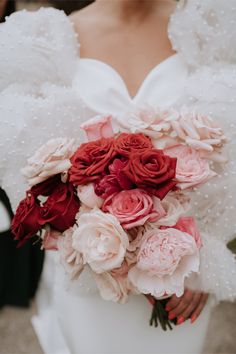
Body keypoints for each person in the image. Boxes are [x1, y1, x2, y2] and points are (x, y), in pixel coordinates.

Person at [0, 0, 235, 353]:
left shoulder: (212, 27)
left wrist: (208, 256)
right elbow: (22, 165)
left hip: (184, 284)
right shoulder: (42, 38)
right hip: (90, 281)